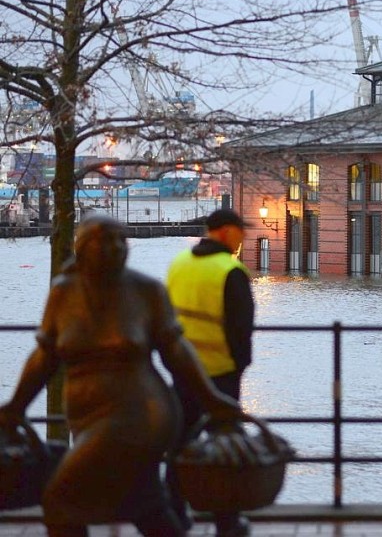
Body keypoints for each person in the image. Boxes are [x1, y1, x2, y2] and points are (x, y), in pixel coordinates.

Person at [0, 214, 243, 537]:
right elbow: (45, 355)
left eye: (120, 239)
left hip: (141, 414)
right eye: (104, 239)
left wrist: (211, 399)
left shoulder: (146, 290)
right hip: (87, 418)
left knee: (61, 499)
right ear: (83, 246)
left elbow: (176, 351)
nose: (115, 247)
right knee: (145, 505)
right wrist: (16, 405)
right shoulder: (64, 293)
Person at [165, 208, 255, 537]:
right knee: (225, 449)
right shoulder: (230, 270)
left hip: (182, 370)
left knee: (180, 442)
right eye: (240, 230)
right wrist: (239, 368)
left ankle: (174, 511)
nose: (243, 236)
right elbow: (241, 330)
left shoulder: (179, 264)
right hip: (220, 375)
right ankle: (226, 521)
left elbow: (166, 320)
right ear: (226, 232)